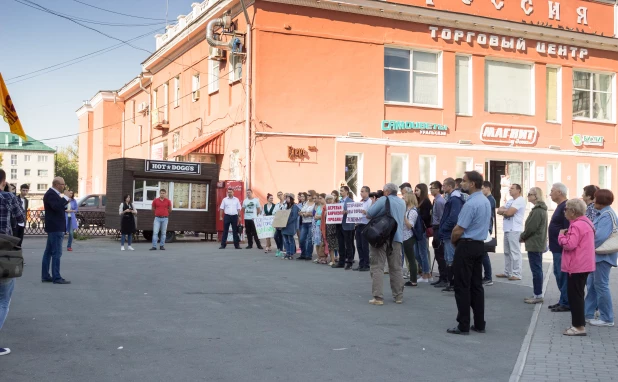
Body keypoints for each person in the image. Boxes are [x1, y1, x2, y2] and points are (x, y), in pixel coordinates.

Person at [447, 171, 491, 335]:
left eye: (464, 181)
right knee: (476, 286)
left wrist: (453, 240)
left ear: (472, 184)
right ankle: (479, 323)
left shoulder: (471, 203)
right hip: (479, 245)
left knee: (462, 286)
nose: (461, 184)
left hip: (466, 245)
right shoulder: (485, 200)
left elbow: (459, 229)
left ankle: (463, 324)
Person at [558, 199, 596, 336]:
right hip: (584, 264)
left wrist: (561, 236)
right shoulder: (586, 222)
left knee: (575, 297)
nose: (565, 211)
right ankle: (579, 324)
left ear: (573, 211)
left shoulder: (576, 225)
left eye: (566, 209)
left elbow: (570, 245)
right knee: (578, 295)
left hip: (576, 265)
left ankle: (578, 327)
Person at [366, 183, 406, 305]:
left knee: (377, 266)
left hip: (381, 237)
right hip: (397, 237)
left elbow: (369, 213)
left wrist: (374, 203)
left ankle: (378, 297)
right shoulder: (402, 202)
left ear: (387, 192)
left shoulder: (384, 200)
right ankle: (398, 296)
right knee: (396, 267)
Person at [0, 169, 25, 356]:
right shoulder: (8, 197)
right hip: (4, 252)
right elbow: (21, 219)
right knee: (3, 300)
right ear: (3, 181)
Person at [585, 189, 617, 327]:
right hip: (597, 256)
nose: (593, 201)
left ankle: (607, 318)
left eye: (596, 199)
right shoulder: (602, 213)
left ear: (601, 201)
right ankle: (587, 314)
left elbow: (598, 238)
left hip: (603, 257)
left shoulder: (607, 215)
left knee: (601, 286)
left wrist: (584, 247)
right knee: (592, 285)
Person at [519, 187, 548, 304]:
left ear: (536, 196)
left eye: (530, 194)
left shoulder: (538, 210)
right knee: (537, 269)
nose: (528, 196)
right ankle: (537, 294)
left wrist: (522, 236)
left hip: (535, 243)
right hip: (537, 242)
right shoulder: (540, 209)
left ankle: (538, 295)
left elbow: (531, 228)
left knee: (536, 270)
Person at [42, 177, 71, 284]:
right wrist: (66, 198)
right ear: (57, 184)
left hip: (54, 227)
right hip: (55, 227)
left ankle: (45, 276)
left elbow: (58, 207)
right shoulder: (50, 194)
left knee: (49, 252)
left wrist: (66, 199)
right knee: (56, 253)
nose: (64, 186)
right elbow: (56, 207)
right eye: (63, 184)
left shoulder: (54, 194)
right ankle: (56, 277)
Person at [548, 182, 571, 312]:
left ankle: (566, 302)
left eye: (552, 191)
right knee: (558, 273)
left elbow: (567, 228)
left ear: (559, 192)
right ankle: (563, 299)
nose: (550, 194)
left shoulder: (565, 207)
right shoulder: (560, 206)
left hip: (561, 248)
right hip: (556, 247)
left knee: (562, 275)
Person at [439, 178, 465, 292]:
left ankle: (453, 282)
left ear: (450, 186)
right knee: (448, 257)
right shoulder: (452, 198)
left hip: (450, 232)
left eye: (444, 186)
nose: (443, 188)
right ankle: (451, 282)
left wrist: (444, 227)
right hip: (448, 232)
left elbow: (453, 217)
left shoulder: (455, 199)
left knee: (450, 258)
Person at [496, 184, 526, 281]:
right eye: (510, 189)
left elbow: (509, 213)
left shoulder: (520, 200)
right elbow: (499, 210)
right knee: (507, 252)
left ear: (518, 190)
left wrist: (505, 211)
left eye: (512, 188)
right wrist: (506, 210)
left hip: (515, 229)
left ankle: (517, 273)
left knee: (515, 252)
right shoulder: (510, 201)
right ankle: (507, 272)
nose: (510, 190)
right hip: (507, 229)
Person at [430, 181, 447, 287]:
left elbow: (442, 218)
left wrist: (440, 231)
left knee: (440, 254)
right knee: (437, 253)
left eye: (433, 188)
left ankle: (444, 278)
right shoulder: (436, 200)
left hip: (438, 228)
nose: (431, 190)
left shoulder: (440, 201)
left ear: (438, 189)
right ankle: (442, 277)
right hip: (435, 227)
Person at [333, 186, 355, 270]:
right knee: (340, 244)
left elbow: (354, 212)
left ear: (346, 191)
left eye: (342, 191)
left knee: (348, 244)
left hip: (347, 225)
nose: (340, 192)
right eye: (340, 191)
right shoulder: (339, 202)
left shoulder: (351, 201)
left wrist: (346, 212)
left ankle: (349, 261)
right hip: (339, 224)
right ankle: (341, 262)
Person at [414, 183, 432, 282]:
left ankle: (426, 274)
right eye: (415, 190)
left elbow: (426, 216)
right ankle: (426, 272)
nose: (415, 192)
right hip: (417, 230)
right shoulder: (419, 201)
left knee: (422, 252)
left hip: (422, 230)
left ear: (422, 190)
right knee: (417, 253)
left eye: (417, 190)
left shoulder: (426, 202)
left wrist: (416, 215)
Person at [481, 181, 496, 286]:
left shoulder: (490, 200)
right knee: (482, 253)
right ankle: (487, 276)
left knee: (483, 253)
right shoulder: (487, 199)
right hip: (485, 228)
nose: (481, 190)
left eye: (482, 188)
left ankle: (488, 277)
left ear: (487, 188)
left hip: (486, 228)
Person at [403, 192, 419, 287]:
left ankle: (413, 280)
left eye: (404, 197)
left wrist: (404, 217)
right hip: (404, 236)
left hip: (408, 236)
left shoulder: (412, 211)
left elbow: (410, 226)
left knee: (411, 259)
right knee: (409, 259)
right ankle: (413, 279)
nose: (403, 199)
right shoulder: (407, 209)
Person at [354, 186, 372, 271]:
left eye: (362, 191)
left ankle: (366, 264)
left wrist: (366, 212)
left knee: (365, 245)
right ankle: (361, 263)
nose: (361, 193)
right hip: (359, 224)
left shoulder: (370, 202)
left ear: (367, 192)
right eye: (360, 191)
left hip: (366, 225)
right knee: (359, 245)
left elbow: (371, 214)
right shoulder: (360, 202)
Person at [282, 195, 301, 260]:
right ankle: (287, 252)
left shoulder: (295, 207)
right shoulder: (285, 206)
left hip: (291, 225)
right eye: (286, 198)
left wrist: (287, 221)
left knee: (290, 240)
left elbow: (294, 217)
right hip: (284, 226)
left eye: (288, 198)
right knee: (286, 240)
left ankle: (291, 253)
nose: (286, 199)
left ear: (291, 199)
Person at [298, 192, 316, 260]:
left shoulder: (314, 204)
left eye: (309, 195)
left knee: (309, 239)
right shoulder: (306, 202)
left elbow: (313, 213)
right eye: (307, 195)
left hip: (311, 222)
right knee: (302, 239)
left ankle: (308, 255)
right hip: (304, 222)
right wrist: (304, 213)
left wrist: (307, 214)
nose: (308, 196)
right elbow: (301, 211)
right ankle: (303, 253)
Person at [324, 195, 339, 265]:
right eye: (327, 200)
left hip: (336, 227)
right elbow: (322, 218)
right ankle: (332, 260)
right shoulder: (325, 208)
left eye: (330, 199)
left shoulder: (337, 206)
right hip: (329, 227)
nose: (329, 201)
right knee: (331, 244)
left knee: (338, 244)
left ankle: (340, 259)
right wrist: (325, 214)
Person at [313, 193, 328, 264]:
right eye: (319, 198)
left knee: (323, 241)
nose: (319, 199)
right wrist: (321, 216)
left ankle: (324, 257)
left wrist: (320, 216)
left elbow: (325, 216)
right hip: (317, 225)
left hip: (324, 225)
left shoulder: (326, 206)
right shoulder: (319, 207)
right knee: (317, 241)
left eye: (321, 198)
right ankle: (319, 256)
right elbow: (315, 216)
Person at [273, 191, 286, 257]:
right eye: (278, 195)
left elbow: (286, 211)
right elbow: (274, 212)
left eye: (281, 194)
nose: (280, 196)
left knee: (281, 236)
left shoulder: (285, 204)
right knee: (275, 236)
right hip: (278, 221)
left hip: (283, 221)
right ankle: (278, 248)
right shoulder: (277, 204)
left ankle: (281, 250)